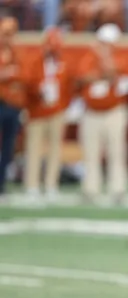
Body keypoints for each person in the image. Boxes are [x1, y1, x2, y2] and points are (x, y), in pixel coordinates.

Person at [77, 23, 128, 205]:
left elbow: (119, 76)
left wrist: (105, 68)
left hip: (114, 111)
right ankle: (90, 189)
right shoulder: (88, 57)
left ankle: (117, 189)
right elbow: (82, 76)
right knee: (91, 152)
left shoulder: (121, 57)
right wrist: (101, 73)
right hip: (92, 111)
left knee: (116, 152)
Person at [23, 27, 72, 204]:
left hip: (56, 112)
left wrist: (63, 106)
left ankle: (51, 184)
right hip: (37, 111)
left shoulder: (64, 62)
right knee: (34, 149)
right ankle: (32, 185)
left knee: (55, 149)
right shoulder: (35, 62)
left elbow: (68, 88)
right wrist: (39, 91)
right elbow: (28, 83)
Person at [0, 17, 24, 201]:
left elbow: (25, 77)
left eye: (12, 33)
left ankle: (1, 185)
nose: (8, 37)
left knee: (8, 147)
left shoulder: (17, 53)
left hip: (12, 106)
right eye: (6, 32)